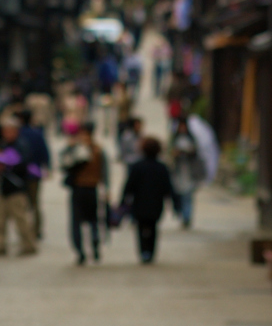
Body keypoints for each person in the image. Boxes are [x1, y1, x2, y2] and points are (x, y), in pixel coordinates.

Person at [121, 137, 180, 264]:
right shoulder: (162, 167)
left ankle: (143, 251)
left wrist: (123, 201)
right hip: (156, 204)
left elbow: (129, 186)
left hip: (139, 203)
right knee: (153, 228)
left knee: (140, 228)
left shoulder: (137, 167)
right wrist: (175, 203)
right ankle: (151, 252)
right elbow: (168, 187)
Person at [60, 122, 109, 265]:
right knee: (92, 220)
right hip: (90, 188)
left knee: (78, 221)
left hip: (81, 188)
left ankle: (82, 250)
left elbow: (64, 164)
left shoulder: (79, 149)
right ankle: (92, 247)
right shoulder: (97, 150)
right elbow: (104, 171)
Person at [0, 119, 37, 257]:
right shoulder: (2, 144)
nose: (6, 134)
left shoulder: (21, 145)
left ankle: (28, 245)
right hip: (3, 187)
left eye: (9, 131)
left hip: (17, 188)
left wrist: (5, 161)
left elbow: (24, 164)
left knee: (21, 219)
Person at [17, 109, 51, 240]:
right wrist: (47, 167)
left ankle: (25, 229)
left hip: (21, 172)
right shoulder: (37, 133)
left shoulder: (18, 133)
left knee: (22, 203)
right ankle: (36, 230)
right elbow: (44, 152)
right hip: (34, 172)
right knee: (35, 203)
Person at [171, 118, 205, 228]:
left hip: (189, 171)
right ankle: (182, 214)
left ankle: (187, 217)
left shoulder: (191, 140)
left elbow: (195, 153)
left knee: (188, 195)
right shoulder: (174, 139)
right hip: (179, 171)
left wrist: (187, 152)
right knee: (179, 194)